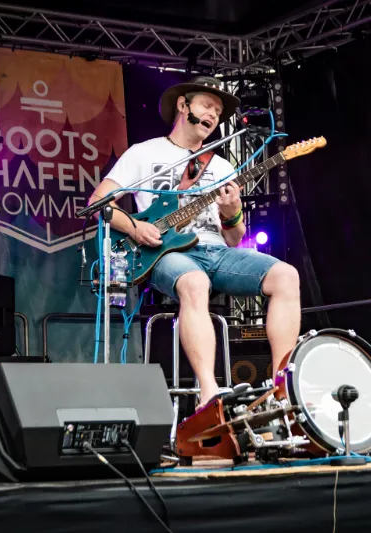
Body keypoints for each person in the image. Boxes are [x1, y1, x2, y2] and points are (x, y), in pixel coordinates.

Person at [88, 76, 301, 409]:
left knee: (286, 275)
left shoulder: (222, 165)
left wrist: (231, 213)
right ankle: (209, 393)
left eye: (218, 111)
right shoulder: (144, 153)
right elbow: (98, 204)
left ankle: (281, 389)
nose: (213, 114)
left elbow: (234, 237)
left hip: (216, 251)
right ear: (183, 105)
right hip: (165, 253)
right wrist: (135, 228)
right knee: (195, 282)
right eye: (207, 105)